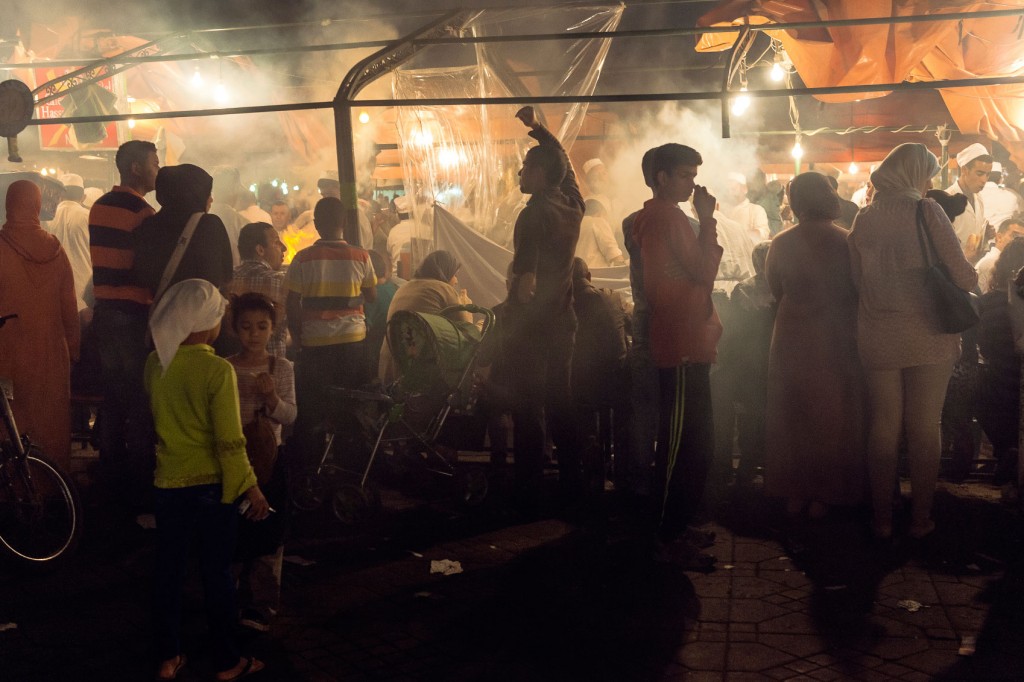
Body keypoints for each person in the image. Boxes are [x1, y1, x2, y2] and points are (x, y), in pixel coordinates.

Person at [848, 143, 978, 540]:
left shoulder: (863, 218)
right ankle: (920, 519)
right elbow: (965, 276)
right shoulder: (927, 210)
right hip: (929, 334)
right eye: (927, 175)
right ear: (915, 174)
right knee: (924, 424)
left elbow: (857, 281)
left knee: (884, 425)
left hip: (877, 332)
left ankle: (882, 520)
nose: (928, 183)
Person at [145, 278, 268, 682]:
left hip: (168, 486)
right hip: (212, 490)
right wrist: (250, 485)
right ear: (207, 324)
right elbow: (229, 441)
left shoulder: (155, 364)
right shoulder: (218, 370)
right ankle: (228, 662)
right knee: (217, 576)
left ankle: (168, 658)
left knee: (168, 573)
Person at [632, 143, 722, 569]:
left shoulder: (662, 217)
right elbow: (704, 271)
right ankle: (664, 538)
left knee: (695, 443)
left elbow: (694, 273)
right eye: (685, 176)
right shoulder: (666, 217)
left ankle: (677, 526)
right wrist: (708, 221)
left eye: (693, 176)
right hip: (681, 343)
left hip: (688, 340)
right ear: (662, 178)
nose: (692, 184)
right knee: (679, 447)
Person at [764, 173, 865, 518]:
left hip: (792, 332)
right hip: (836, 332)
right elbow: (859, 287)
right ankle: (827, 493)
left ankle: (794, 490)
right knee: (833, 414)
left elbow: (775, 287)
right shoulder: (848, 241)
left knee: (793, 411)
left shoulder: (781, 242)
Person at [506, 105, 584, 512]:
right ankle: (573, 483)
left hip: (534, 327)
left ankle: (528, 490)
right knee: (560, 402)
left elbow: (525, 285)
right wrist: (538, 128)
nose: (519, 173)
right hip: (563, 320)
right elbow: (563, 162)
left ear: (538, 174)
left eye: (524, 167)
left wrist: (507, 317)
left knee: (528, 405)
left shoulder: (532, 215)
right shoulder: (573, 203)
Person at [88, 140, 159, 514]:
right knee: (139, 401)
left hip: (104, 312)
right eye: (154, 163)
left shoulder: (99, 206)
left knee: (113, 399)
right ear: (136, 168)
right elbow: (145, 268)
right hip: (132, 315)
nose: (157, 170)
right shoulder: (143, 212)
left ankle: (109, 480)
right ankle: (140, 487)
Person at [285, 197, 376, 471]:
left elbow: (292, 302)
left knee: (314, 407)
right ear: (344, 222)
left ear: (316, 224)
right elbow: (371, 295)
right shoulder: (361, 256)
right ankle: (350, 466)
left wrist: (297, 337)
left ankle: (311, 467)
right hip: (353, 343)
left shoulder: (302, 258)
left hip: (315, 345)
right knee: (350, 406)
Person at [227, 292, 296, 633]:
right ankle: (228, 598)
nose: (254, 334)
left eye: (262, 326)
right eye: (246, 326)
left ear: (272, 329)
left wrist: (271, 398)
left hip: (270, 461)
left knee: (269, 532)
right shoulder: (225, 367)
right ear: (234, 328)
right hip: (234, 460)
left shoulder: (281, 367)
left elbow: (290, 415)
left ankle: (262, 604)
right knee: (234, 531)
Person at [0, 180, 80, 474]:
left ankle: (14, 485)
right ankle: (51, 483)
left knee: (11, 421)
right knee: (49, 418)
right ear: (36, 204)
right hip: (50, 353)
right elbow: (69, 307)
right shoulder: (55, 250)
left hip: (6, 353)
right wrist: (73, 348)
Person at [133, 164, 234, 299]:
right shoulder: (209, 225)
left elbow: (141, 276)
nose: (211, 199)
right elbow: (226, 279)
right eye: (207, 193)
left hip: (157, 310)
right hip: (200, 310)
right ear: (196, 193)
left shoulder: (147, 225)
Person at [377, 250, 472, 384]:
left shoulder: (404, 287)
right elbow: (468, 336)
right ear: (444, 272)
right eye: (455, 275)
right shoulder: (444, 288)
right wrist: (467, 308)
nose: (456, 281)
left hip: (389, 371)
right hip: (421, 377)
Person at [977, 239, 1024, 486]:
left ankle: (1006, 450)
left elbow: (984, 347)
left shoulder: (987, 303)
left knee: (977, 390)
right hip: (1014, 384)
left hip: (998, 384)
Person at [224, 222, 288, 358]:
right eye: (276, 242)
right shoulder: (282, 282)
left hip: (229, 365)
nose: (284, 248)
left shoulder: (225, 280)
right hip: (272, 365)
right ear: (260, 250)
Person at [46, 173, 92, 311]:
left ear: (59, 195)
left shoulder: (47, 218)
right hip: (84, 292)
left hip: (54, 291)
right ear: (83, 197)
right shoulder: (89, 216)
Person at [947, 143, 993, 263]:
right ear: (964, 170)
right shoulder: (947, 200)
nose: (984, 180)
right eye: (980, 173)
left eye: (987, 175)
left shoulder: (979, 198)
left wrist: (986, 234)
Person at [363, 249, 401, 379]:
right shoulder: (394, 288)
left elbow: (366, 328)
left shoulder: (370, 297)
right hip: (395, 354)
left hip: (376, 358)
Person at [975, 214, 1024, 294]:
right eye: (1015, 236)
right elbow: (987, 298)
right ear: (999, 237)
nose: (1019, 242)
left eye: (1022, 239)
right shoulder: (990, 262)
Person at [721, 172, 770, 243]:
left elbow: (762, 234)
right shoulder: (721, 210)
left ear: (745, 189)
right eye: (727, 190)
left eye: (733, 189)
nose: (730, 193)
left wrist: (734, 235)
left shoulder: (756, 210)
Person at [575, 199, 625, 268]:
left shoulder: (574, 224)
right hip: (597, 272)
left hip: (576, 272)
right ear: (600, 212)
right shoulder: (597, 221)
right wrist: (624, 266)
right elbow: (612, 251)